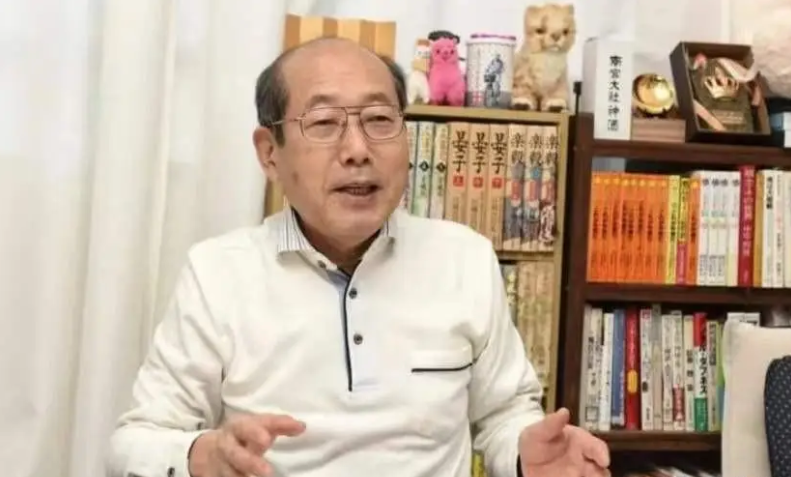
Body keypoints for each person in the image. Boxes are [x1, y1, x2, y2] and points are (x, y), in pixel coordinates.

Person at [107, 37, 610, 477]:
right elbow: (135, 442)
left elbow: (504, 414)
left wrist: (524, 453)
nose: (357, 149)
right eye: (324, 122)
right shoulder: (218, 273)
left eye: (379, 120)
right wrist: (201, 456)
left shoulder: (465, 260)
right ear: (269, 153)